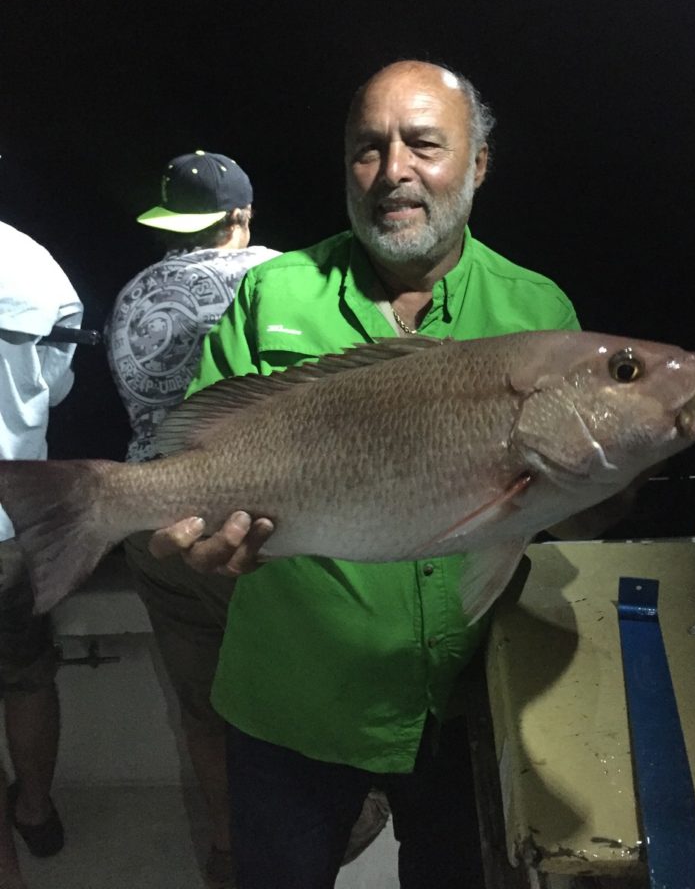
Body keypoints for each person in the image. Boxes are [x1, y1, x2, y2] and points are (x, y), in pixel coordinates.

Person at [150, 60, 617, 889]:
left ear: (476, 166)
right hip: (289, 706)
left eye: (424, 145)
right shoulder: (272, 292)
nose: (393, 169)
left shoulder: (537, 311)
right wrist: (195, 539)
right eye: (369, 149)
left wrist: (626, 461)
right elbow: (193, 461)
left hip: (463, 707)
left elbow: (569, 516)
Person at [104, 151, 280, 889]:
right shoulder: (276, 277)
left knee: (204, 708)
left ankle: (225, 850)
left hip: (148, 529)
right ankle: (311, 841)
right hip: (234, 530)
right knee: (279, 707)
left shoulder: (131, 292)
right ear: (240, 216)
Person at [0, 221, 83, 889]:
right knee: (27, 676)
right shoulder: (32, 261)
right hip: (15, 520)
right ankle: (35, 809)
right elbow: (55, 386)